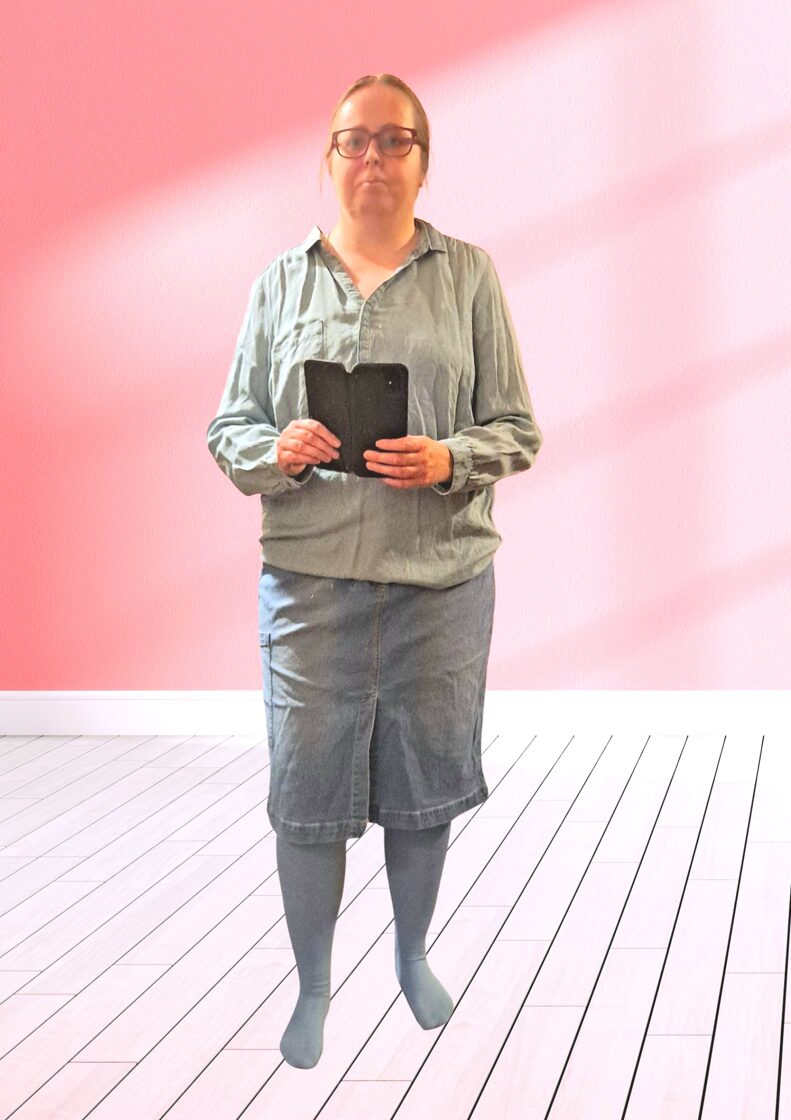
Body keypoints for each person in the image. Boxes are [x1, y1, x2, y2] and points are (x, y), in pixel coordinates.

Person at [206, 73, 543, 1069]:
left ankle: (410, 953)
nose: (373, 158)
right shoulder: (280, 283)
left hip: (439, 581)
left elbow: (517, 427)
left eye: (395, 140)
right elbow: (229, 428)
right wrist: (280, 449)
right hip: (309, 584)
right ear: (329, 158)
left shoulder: (468, 276)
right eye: (354, 140)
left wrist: (448, 458)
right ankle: (312, 987)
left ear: (422, 160)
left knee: (422, 783)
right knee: (307, 786)